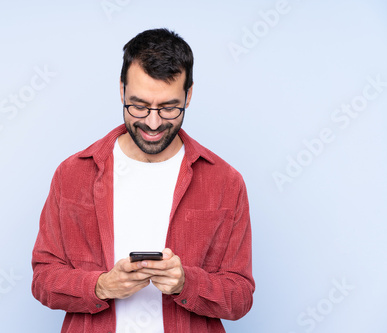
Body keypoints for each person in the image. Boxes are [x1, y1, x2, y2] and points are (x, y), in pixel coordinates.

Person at [31, 28, 255, 333]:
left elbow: (240, 296)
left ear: (188, 95)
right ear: (121, 91)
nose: (152, 122)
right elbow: (44, 279)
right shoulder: (72, 175)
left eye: (168, 107)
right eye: (138, 106)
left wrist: (186, 283)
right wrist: (102, 286)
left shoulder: (225, 182)